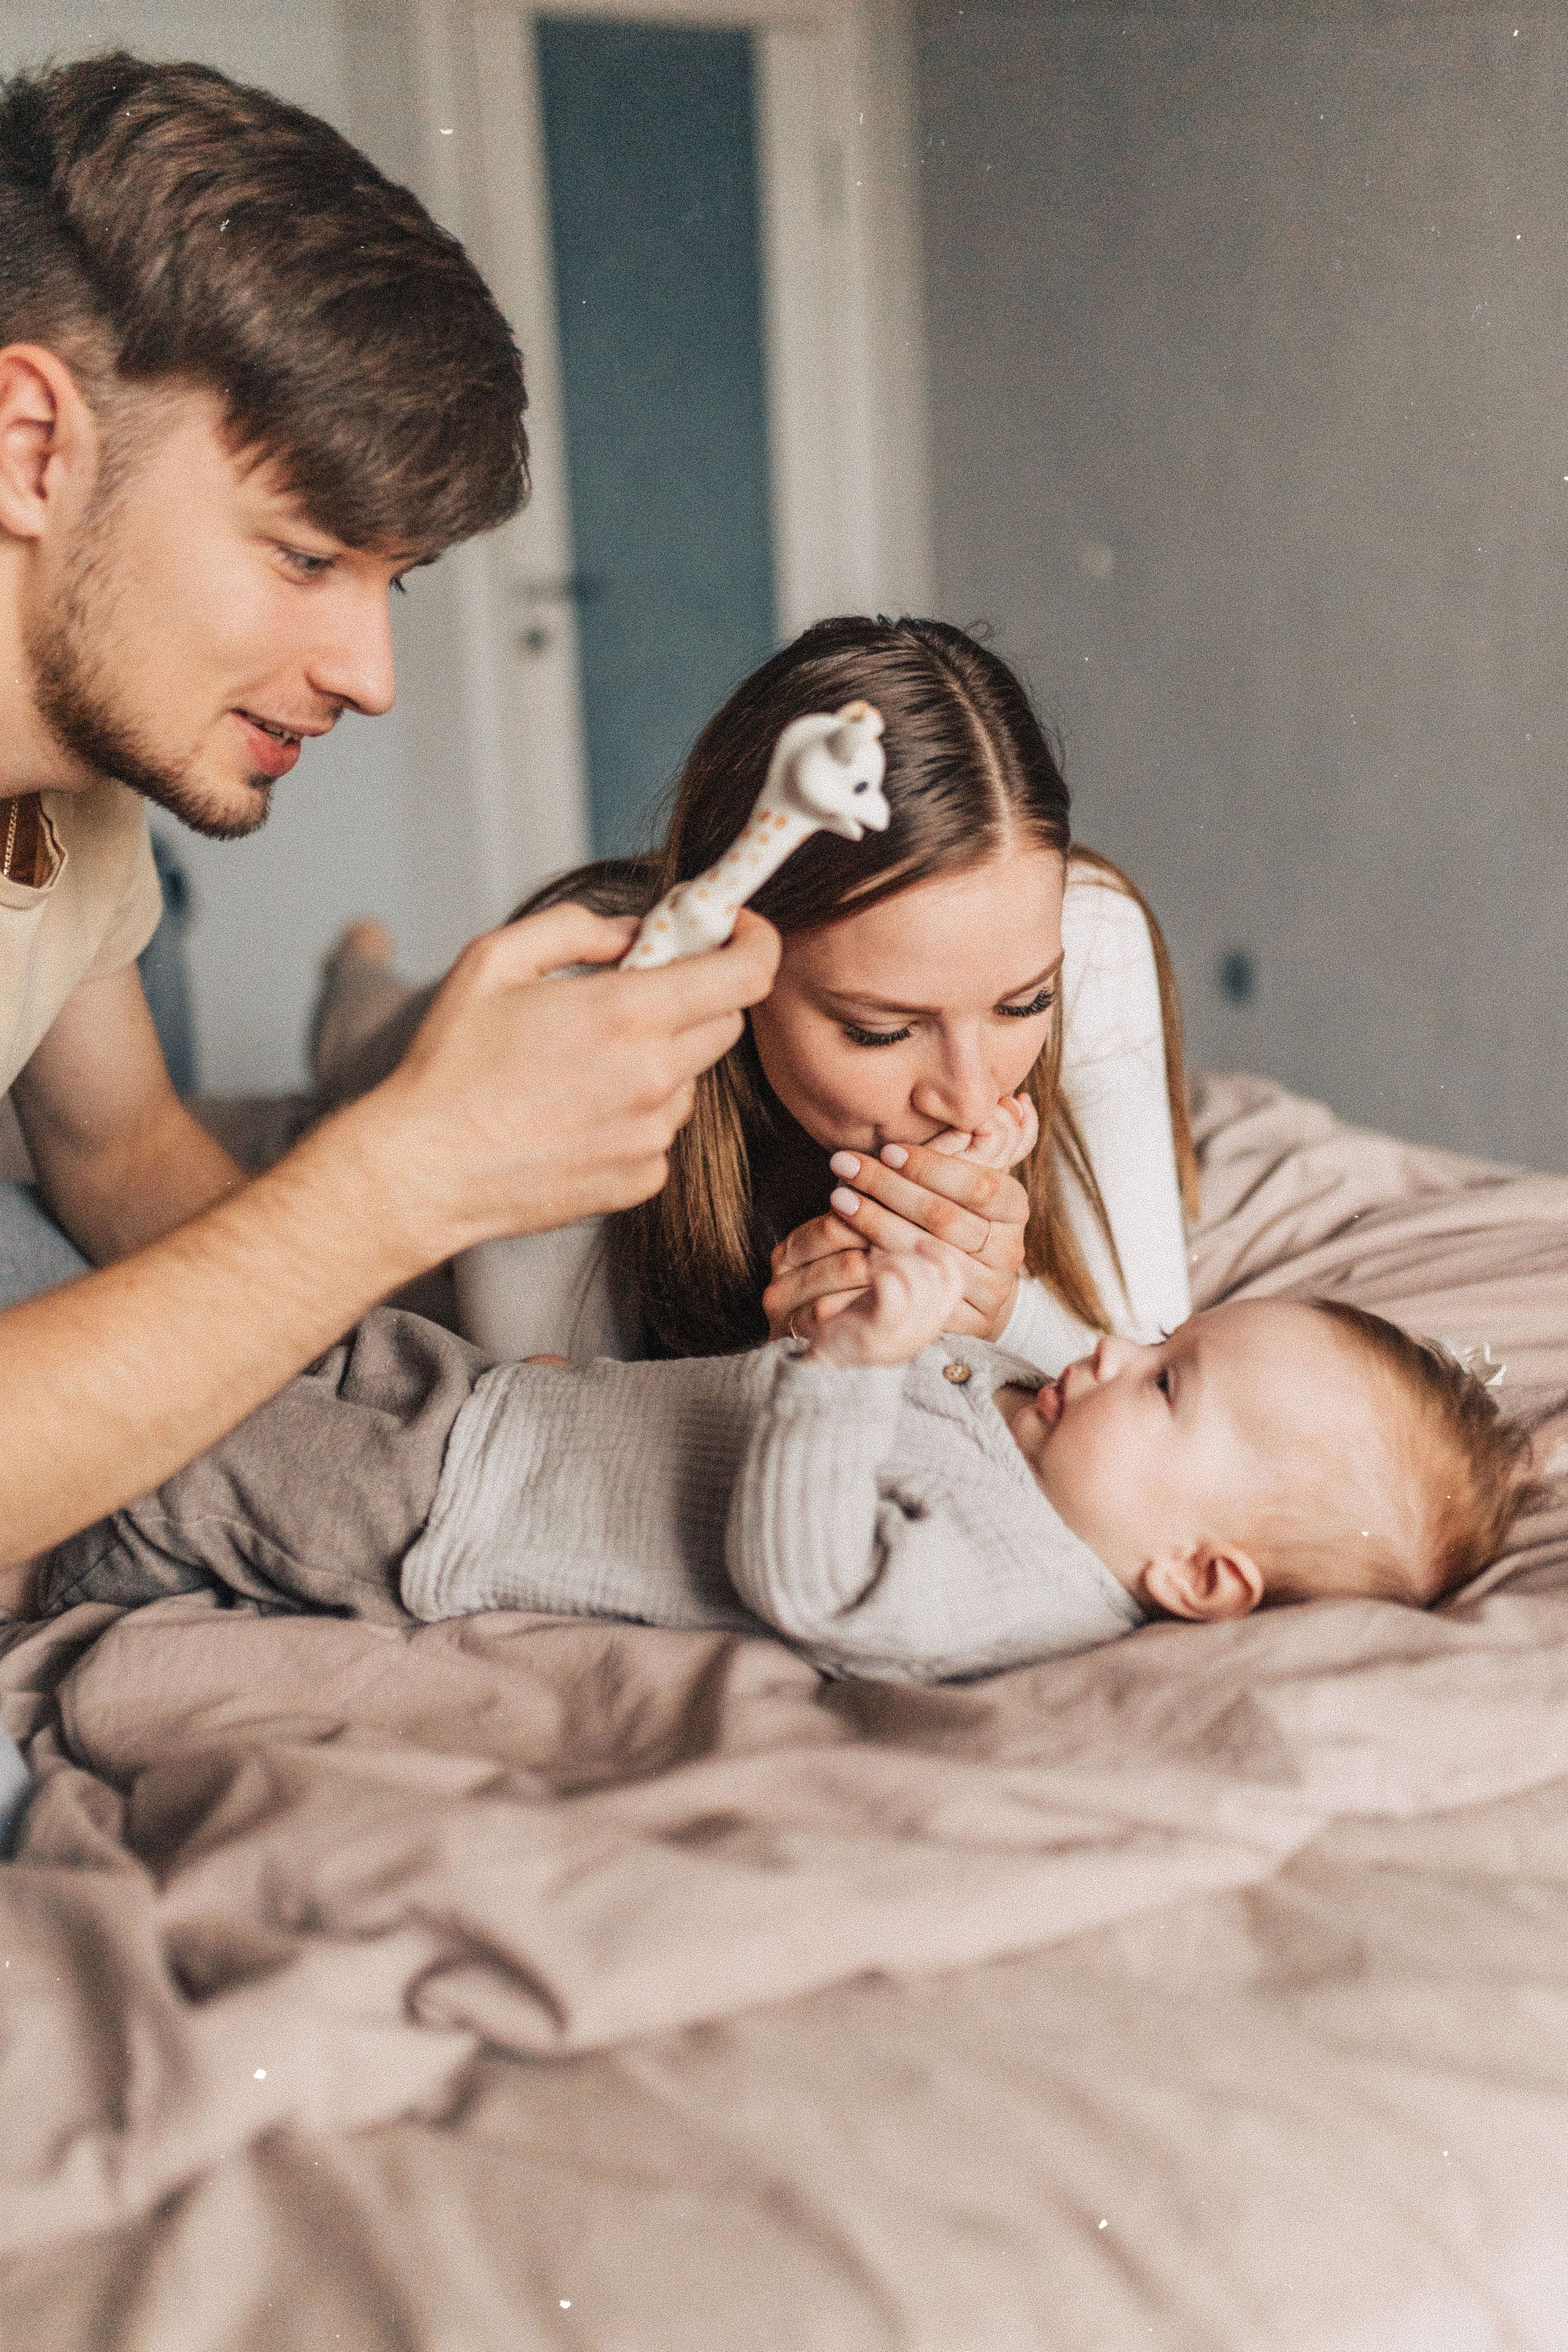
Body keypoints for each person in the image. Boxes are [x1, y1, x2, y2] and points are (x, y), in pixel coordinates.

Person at [0, 58, 775, 1816]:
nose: (371, 676)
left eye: (391, 584)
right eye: (300, 559)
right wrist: (399, 1178)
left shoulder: (75, 786)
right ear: (32, 444)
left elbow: (119, 1148)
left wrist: (471, 1374)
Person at [314, 617, 1199, 1374]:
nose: (971, 1095)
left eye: (1021, 1007)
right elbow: (547, 1394)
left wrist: (1004, 1314)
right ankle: (356, 975)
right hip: (432, 1033)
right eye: (880, 1030)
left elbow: (1148, 1360)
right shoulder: (587, 1008)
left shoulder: (1092, 937)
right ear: (743, 972)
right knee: (369, 1045)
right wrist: (791, 1369)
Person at [18, 1249, 1540, 1684]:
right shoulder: (1069, 1449)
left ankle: (36, 1580)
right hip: (488, 1405)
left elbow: (812, 1577)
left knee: (179, 1456)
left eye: (1164, 1386)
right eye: (1160, 1340)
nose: (1110, 1359)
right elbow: (1032, 1330)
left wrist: (853, 1373)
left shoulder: (1005, 1586)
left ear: (1197, 1578)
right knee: (262, 1344)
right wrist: (965, 1287)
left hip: (449, 1509)